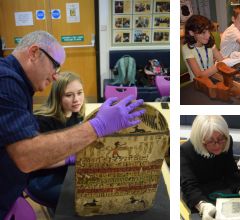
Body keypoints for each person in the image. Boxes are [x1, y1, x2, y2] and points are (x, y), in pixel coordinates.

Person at [0, 30, 145, 218]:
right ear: (34, 53)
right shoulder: (6, 81)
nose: (54, 76)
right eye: (55, 66)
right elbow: (27, 157)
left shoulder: (16, 84)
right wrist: (98, 125)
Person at [181, 115, 240, 220]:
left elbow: (231, 172)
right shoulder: (185, 151)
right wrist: (202, 205)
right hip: (199, 196)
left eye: (221, 139)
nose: (217, 145)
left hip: (223, 192)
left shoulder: (227, 142)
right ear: (199, 139)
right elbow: (189, 186)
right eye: (210, 141)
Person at [26, 72, 85, 209]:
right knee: (79, 199)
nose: (76, 99)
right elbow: (36, 162)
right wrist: (69, 158)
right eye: (69, 95)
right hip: (42, 178)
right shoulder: (43, 121)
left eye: (79, 93)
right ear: (57, 96)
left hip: (66, 170)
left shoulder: (75, 114)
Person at [182, 15, 240, 81]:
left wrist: (232, 58)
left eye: (208, 31)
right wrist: (218, 65)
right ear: (191, 33)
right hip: (199, 84)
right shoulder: (187, 49)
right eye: (203, 32)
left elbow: (221, 60)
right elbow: (199, 75)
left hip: (213, 78)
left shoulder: (209, 43)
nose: (208, 36)